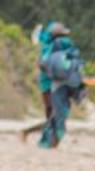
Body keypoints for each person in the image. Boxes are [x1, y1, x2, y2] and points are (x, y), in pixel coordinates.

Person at [34, 21, 84, 150]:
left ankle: (50, 139)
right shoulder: (66, 44)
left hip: (48, 82)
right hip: (61, 82)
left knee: (50, 110)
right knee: (58, 111)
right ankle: (53, 140)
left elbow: (41, 64)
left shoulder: (47, 46)